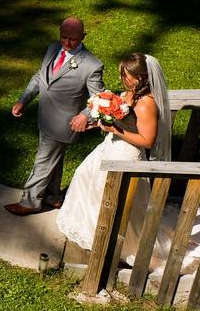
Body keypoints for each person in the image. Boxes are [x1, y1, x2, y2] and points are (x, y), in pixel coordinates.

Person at [56, 53, 171, 255]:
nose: (122, 79)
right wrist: (101, 120)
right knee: (85, 176)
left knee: (112, 195)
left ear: (141, 78)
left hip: (127, 154)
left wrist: (116, 131)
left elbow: (147, 140)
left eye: (126, 75)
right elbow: (119, 117)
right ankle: (93, 231)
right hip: (110, 146)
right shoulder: (129, 94)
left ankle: (119, 243)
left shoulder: (146, 104)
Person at [5, 17, 105, 216]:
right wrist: (23, 100)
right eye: (63, 37)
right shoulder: (52, 49)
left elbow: (99, 97)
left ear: (83, 37)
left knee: (43, 161)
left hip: (63, 123)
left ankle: (30, 202)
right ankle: (53, 196)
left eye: (73, 40)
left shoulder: (91, 65)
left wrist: (85, 116)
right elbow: (39, 77)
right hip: (45, 117)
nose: (67, 43)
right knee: (54, 159)